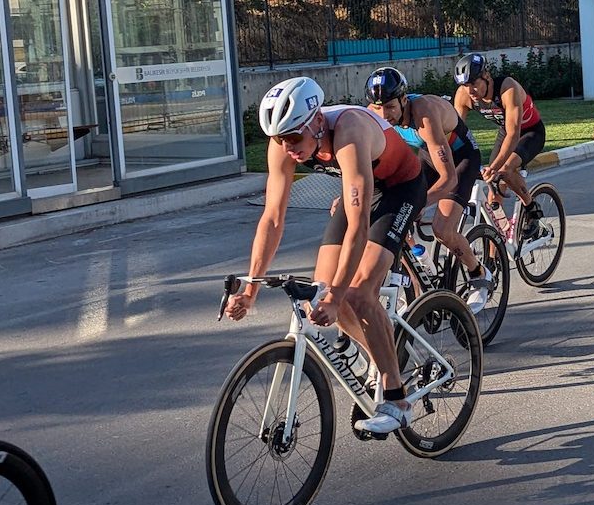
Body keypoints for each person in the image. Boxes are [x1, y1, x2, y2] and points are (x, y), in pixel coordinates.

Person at [224, 76, 426, 435]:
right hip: (359, 190)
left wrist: (338, 295)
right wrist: (250, 289)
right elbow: (272, 218)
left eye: (293, 138)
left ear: (317, 121)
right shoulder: (283, 145)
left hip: (400, 189)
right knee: (318, 297)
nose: (287, 148)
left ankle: (397, 399)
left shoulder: (349, 131)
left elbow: (360, 225)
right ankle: (384, 354)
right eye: (279, 140)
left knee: (358, 293)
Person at [364, 67, 493, 313]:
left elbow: (448, 178)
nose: (384, 115)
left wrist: (420, 202)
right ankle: (419, 266)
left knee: (442, 229)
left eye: (390, 107)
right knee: (394, 217)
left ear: (404, 99)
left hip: (460, 158)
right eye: (378, 108)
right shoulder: (375, 115)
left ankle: (479, 272)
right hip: (427, 155)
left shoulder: (424, 114)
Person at [452, 53, 547, 238]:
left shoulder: (507, 88)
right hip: (505, 132)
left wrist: (494, 168)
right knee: (493, 197)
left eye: (473, 83)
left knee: (505, 170)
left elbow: (514, 133)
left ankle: (531, 208)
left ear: (486, 76)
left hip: (530, 132)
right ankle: (497, 253)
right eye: (465, 85)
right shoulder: (464, 96)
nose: (470, 90)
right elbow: (455, 133)